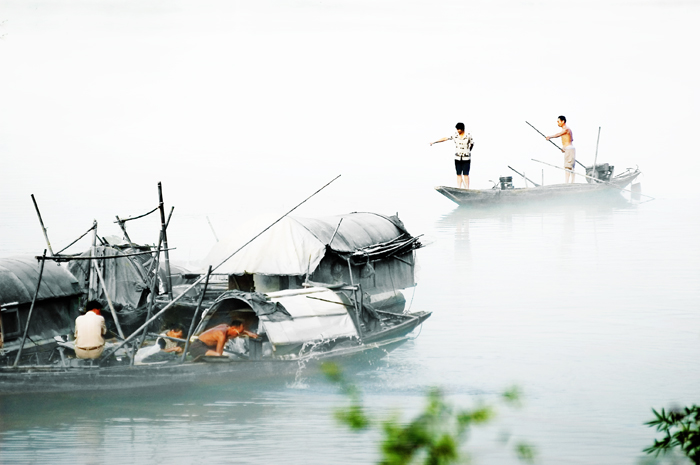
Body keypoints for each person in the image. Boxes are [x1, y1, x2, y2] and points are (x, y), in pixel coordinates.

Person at [430, 122, 475, 189]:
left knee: (466, 174)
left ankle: (467, 188)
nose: (458, 130)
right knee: (458, 173)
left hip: (466, 158)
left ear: (462, 129)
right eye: (457, 129)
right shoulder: (455, 135)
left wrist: (468, 151)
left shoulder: (468, 136)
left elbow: (472, 144)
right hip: (458, 158)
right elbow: (445, 138)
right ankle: (459, 188)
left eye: (459, 129)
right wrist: (434, 142)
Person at [188, 321, 259, 359]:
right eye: (237, 333)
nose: (237, 335)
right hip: (197, 347)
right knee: (218, 355)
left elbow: (240, 331)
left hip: (206, 346)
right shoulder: (221, 335)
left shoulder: (225, 326)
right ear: (233, 328)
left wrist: (249, 333)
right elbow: (219, 354)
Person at [546, 115, 576, 183]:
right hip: (568, 149)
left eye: (558, 121)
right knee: (568, 166)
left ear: (563, 121)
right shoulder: (566, 129)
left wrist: (550, 136)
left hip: (569, 149)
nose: (558, 123)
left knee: (568, 167)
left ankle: (569, 182)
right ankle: (570, 182)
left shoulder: (566, 129)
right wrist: (564, 147)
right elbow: (569, 140)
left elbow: (559, 134)